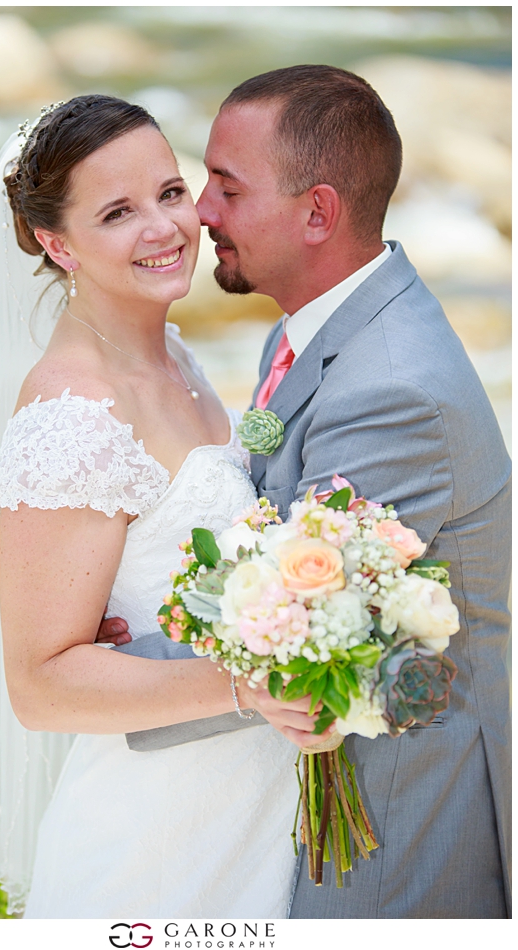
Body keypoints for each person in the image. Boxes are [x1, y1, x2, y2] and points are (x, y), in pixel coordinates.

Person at [0, 94, 333, 919]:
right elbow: (40, 686)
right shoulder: (72, 417)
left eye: (170, 192)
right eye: (117, 212)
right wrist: (250, 687)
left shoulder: (174, 353)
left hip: (253, 810)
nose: (164, 227)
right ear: (54, 242)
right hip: (157, 849)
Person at [190, 65, 511, 919]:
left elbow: (297, 629)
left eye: (225, 187)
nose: (199, 212)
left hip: (393, 815)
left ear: (317, 213)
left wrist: (100, 667)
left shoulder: (390, 389)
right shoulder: (313, 329)